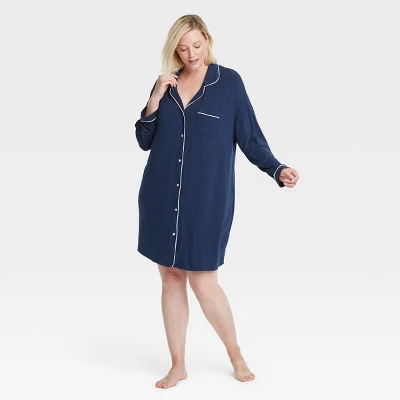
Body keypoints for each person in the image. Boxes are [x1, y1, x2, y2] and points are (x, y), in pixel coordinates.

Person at [135, 14, 299, 389]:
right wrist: (155, 98)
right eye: (182, 48)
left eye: (196, 45)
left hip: (206, 202)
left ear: (207, 40)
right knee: (170, 279)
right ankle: (178, 365)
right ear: (174, 49)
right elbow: (144, 140)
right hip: (160, 196)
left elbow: (250, 137)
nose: (191, 54)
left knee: (204, 283)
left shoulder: (229, 83)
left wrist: (277, 169)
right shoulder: (166, 83)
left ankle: (235, 354)